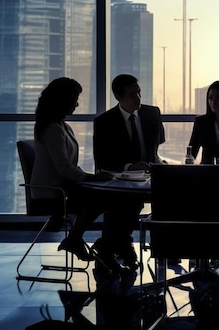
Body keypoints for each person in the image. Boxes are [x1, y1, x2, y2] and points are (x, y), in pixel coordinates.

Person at [30, 77, 114, 262]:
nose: (77, 103)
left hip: (63, 188)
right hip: (53, 192)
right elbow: (63, 168)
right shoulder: (53, 128)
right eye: (74, 98)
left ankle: (76, 239)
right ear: (62, 99)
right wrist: (91, 178)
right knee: (102, 199)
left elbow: (68, 167)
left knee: (102, 197)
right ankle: (79, 240)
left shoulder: (62, 126)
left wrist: (90, 178)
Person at [93, 73, 165, 268]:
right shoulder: (105, 122)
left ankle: (110, 244)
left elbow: (157, 146)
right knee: (128, 200)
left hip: (149, 175)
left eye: (139, 93)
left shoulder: (152, 114)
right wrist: (129, 167)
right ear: (119, 97)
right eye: (133, 95)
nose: (138, 99)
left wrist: (154, 163)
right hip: (121, 179)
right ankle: (122, 244)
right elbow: (102, 160)